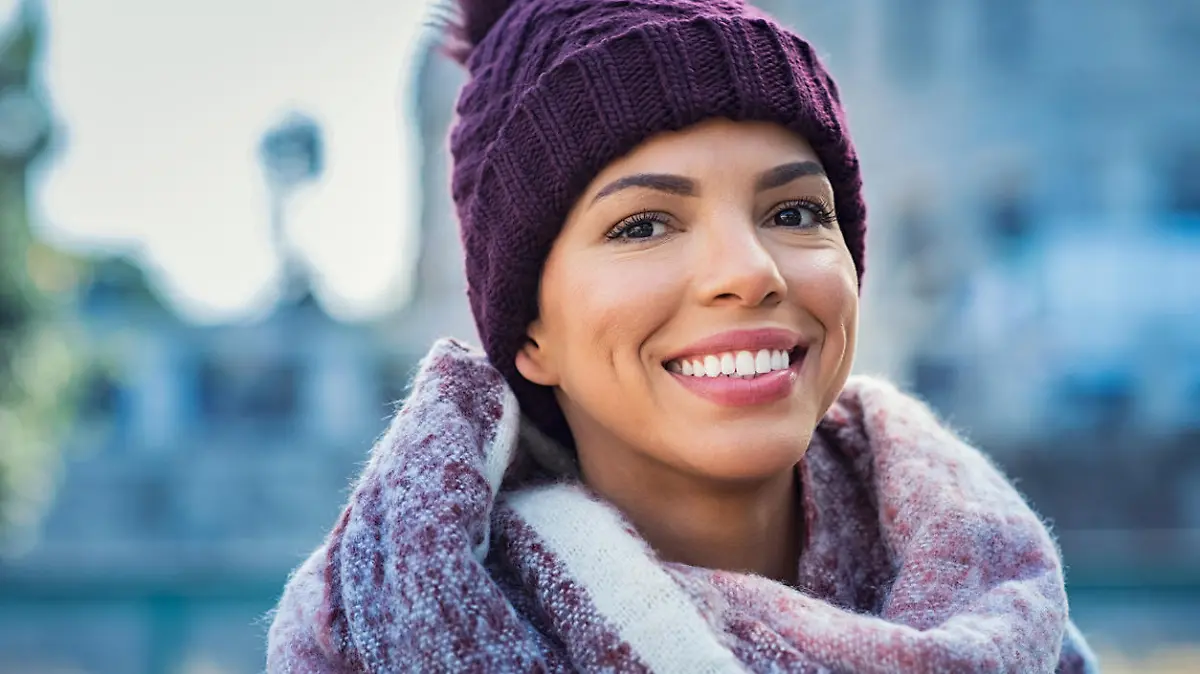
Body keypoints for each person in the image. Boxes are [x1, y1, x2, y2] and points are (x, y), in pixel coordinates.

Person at [267, 0, 1100, 671]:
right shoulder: (374, 646)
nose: (749, 271)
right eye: (643, 225)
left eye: (796, 212)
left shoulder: (1022, 626)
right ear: (529, 333)